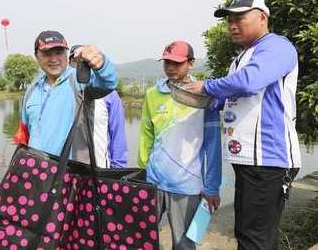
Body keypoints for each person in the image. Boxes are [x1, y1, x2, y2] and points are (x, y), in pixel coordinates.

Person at [184, 0, 301, 250]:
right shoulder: (241, 58)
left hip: (268, 159)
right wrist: (197, 97)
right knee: (249, 234)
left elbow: (250, 82)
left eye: (239, 17)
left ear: (262, 17)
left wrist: (206, 86)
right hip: (248, 160)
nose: (232, 24)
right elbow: (230, 99)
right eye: (228, 20)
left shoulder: (277, 46)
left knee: (254, 239)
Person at [138, 40, 221, 250]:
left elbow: (212, 146)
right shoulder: (151, 94)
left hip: (189, 186)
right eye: (167, 62)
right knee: (142, 238)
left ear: (191, 63)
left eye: (177, 63)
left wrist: (212, 187)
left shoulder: (205, 96)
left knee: (185, 243)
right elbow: (145, 136)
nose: (170, 67)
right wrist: (142, 173)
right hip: (154, 182)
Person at [13, 30, 118, 162]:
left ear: (66, 54)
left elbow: (108, 83)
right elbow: (25, 134)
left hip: (71, 175)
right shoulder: (32, 89)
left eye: (59, 52)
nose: (54, 59)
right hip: (37, 173)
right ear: (37, 56)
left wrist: (101, 63)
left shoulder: (79, 80)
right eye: (47, 54)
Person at [69, 44, 127, 168]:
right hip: (68, 168)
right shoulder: (65, 93)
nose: (79, 66)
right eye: (75, 61)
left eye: (84, 62)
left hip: (100, 167)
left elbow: (117, 134)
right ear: (69, 64)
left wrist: (117, 169)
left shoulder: (110, 94)